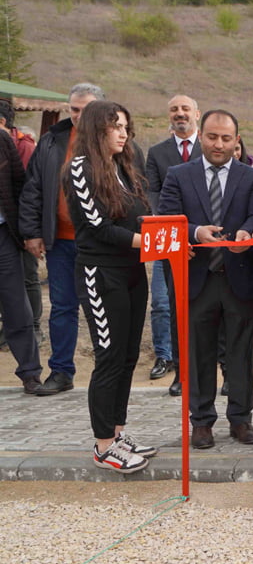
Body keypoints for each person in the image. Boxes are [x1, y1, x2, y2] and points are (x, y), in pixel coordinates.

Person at [158, 109, 253, 449]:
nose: (218, 144)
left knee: (241, 354)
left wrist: (247, 232)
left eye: (226, 138)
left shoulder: (252, 177)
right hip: (197, 278)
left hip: (240, 277)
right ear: (200, 135)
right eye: (212, 136)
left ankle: (241, 419)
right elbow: (166, 218)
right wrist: (194, 232)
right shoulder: (178, 175)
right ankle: (202, 422)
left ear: (237, 140)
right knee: (198, 354)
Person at [63, 100, 158, 473]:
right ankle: (103, 446)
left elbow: (141, 216)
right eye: (115, 127)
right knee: (109, 357)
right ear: (96, 129)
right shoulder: (79, 170)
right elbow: (99, 228)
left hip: (133, 272)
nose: (123, 134)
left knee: (129, 356)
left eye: (125, 127)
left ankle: (117, 433)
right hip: (101, 275)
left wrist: (162, 234)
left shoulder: (122, 166)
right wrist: (151, 244)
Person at [20, 83, 107, 397]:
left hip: (101, 244)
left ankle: (108, 371)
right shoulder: (51, 140)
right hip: (61, 242)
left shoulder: (115, 140)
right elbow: (33, 189)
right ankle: (61, 371)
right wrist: (31, 232)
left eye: (86, 110)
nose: (79, 116)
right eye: (74, 109)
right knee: (62, 307)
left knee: (102, 308)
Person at [143, 95, 202, 395]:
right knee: (174, 307)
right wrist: (177, 230)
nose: (179, 114)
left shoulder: (212, 146)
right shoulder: (157, 153)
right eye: (174, 109)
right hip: (171, 242)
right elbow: (152, 194)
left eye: (185, 109)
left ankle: (224, 371)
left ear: (196, 114)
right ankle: (180, 371)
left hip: (208, 242)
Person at [0, 127, 42, 394]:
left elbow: (20, 183)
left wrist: (27, 230)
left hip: (3, 234)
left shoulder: (2, 139)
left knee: (16, 304)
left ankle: (30, 373)